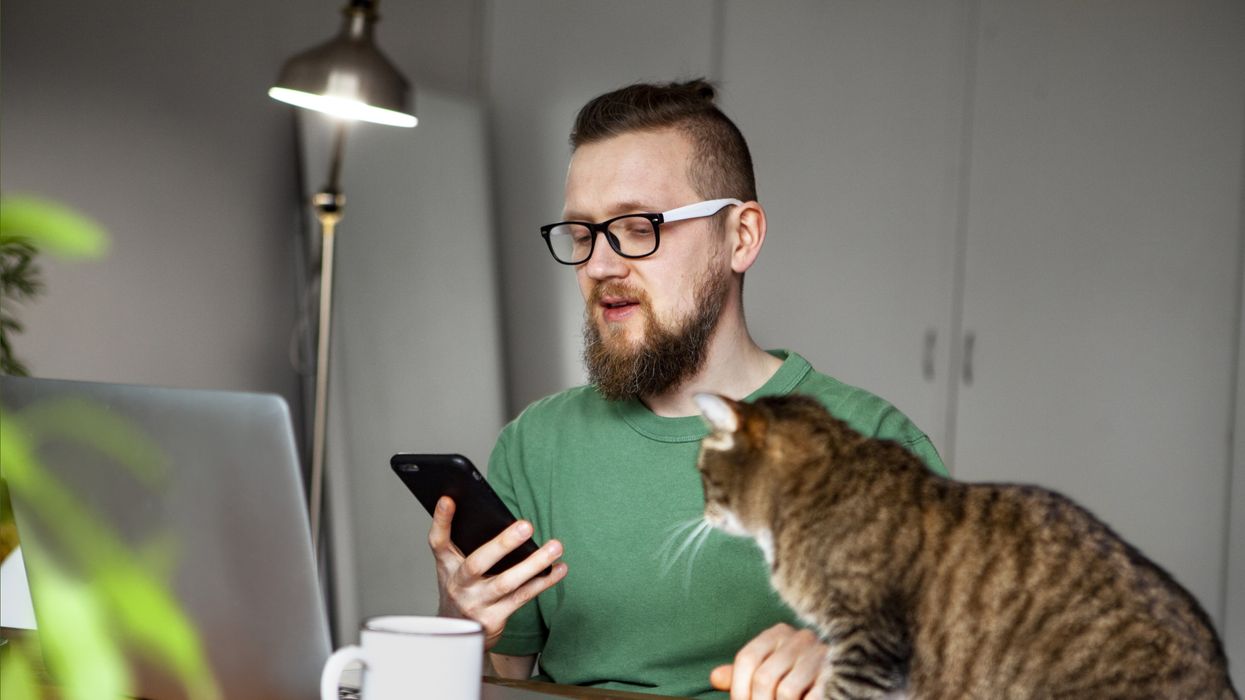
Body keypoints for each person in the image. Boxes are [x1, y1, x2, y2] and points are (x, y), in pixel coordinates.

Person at [428, 79, 947, 699]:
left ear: (741, 237)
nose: (599, 265)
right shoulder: (533, 445)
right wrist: (455, 632)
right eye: (582, 233)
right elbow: (502, 685)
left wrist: (850, 666)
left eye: (638, 226)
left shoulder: (877, 443)